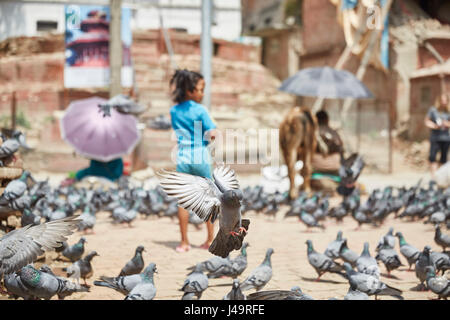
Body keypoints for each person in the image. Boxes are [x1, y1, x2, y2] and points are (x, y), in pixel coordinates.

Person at [169, 69, 218, 253]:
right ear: (190, 91)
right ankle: (210, 239)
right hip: (200, 155)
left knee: (183, 201)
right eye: (200, 89)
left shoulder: (173, 110)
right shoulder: (200, 110)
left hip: (183, 156)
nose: (202, 93)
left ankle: (184, 242)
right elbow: (212, 133)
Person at [424, 93, 450, 179]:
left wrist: (447, 124)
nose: (444, 102)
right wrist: (435, 126)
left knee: (443, 159)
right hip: (435, 137)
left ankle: (441, 177)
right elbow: (426, 121)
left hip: (446, 138)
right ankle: (434, 178)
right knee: (433, 157)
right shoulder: (433, 110)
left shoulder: (448, 111)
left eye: (445, 100)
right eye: (442, 100)